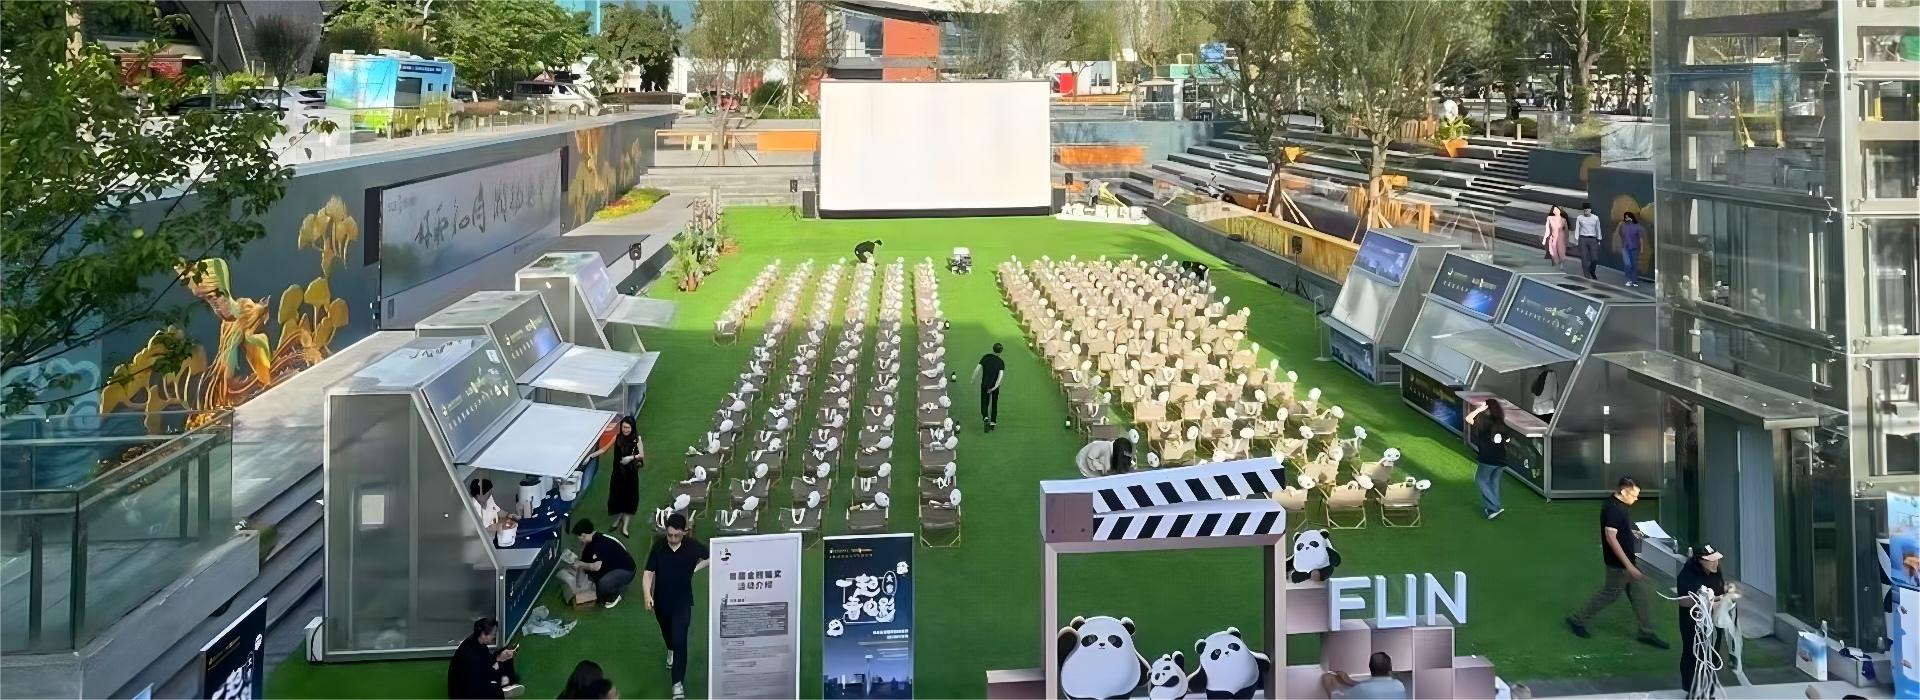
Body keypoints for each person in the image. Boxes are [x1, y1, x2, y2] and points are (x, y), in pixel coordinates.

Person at [1567, 477, 1669, 649]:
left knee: (1639, 594)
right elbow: (1610, 537)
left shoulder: (1615, 504)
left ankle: (1646, 631)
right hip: (1619, 565)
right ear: (1623, 491)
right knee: (1610, 593)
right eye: (1634, 495)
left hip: (1626, 562)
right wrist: (1629, 567)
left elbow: (1616, 529)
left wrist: (1630, 532)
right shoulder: (1615, 509)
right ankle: (1577, 619)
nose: (1636, 499)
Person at [645, 513, 710, 700]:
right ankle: (670, 649)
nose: (673, 539)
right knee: (668, 634)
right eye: (669, 535)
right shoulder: (659, 547)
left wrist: (695, 569)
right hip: (661, 600)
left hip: (682, 602)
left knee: (680, 640)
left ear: (685, 532)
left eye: (677, 535)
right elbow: (648, 573)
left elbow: (711, 556)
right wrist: (647, 595)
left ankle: (677, 683)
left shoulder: (692, 546)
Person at [1676, 544, 1729, 696]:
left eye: (1716, 559)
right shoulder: (1687, 575)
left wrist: (1725, 596)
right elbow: (1683, 601)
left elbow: (1720, 590)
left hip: (1714, 620)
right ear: (1700, 561)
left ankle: (1708, 689)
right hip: (1692, 621)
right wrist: (1706, 599)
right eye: (1711, 560)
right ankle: (1692, 689)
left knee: (1712, 652)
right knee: (1692, 653)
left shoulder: (1715, 572)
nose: (1715, 563)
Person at [559, 519, 636, 608]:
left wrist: (580, 564)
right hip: (612, 565)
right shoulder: (590, 543)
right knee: (593, 576)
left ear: (583, 535)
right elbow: (586, 560)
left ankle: (618, 593)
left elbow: (596, 567)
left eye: (579, 538)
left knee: (603, 585)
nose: (580, 541)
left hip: (626, 570)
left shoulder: (601, 544)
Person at [447, 617, 523, 699]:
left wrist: (499, 657)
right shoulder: (470, 656)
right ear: (483, 634)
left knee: (504, 652)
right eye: (493, 634)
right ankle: (501, 690)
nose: (494, 636)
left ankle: (506, 680)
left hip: (476, 674)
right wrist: (499, 661)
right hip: (463, 692)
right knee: (490, 688)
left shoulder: (477, 641)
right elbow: (483, 676)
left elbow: (486, 661)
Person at [1464, 399, 1507, 520]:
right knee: (1493, 483)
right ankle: (1492, 509)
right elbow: (1507, 439)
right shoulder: (1501, 423)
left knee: (1481, 481)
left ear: (1487, 408)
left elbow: (1468, 418)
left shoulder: (1485, 422)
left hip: (1488, 459)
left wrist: (1479, 409)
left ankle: (1494, 506)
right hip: (1501, 459)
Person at [607, 417, 644, 537]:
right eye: (623, 427)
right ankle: (619, 518)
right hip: (618, 474)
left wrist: (630, 458)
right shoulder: (617, 437)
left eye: (628, 427)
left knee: (629, 499)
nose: (625, 430)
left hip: (630, 474)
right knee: (618, 497)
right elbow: (604, 449)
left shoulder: (637, 439)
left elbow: (641, 455)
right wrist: (591, 456)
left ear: (632, 428)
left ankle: (625, 526)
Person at [1321, 651, 1406, 699]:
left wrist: (1329, 683)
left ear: (1370, 667)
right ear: (1390, 668)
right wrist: (1350, 681)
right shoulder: (1399, 686)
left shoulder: (1363, 689)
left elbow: (1337, 698)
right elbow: (1378, 687)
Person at [971, 343, 1006, 432]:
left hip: (985, 385)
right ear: (1001, 351)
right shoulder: (1000, 362)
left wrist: (973, 378)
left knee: (984, 401)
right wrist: (994, 387)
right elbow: (1000, 377)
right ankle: (993, 422)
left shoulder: (986, 357)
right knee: (994, 403)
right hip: (994, 387)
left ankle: (985, 416)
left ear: (993, 349)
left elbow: (977, 369)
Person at [1574, 203, 1604, 279]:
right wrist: (1576, 240)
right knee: (1584, 259)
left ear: (1590, 209)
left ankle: (1591, 270)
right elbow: (1577, 229)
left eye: (1587, 209)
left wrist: (1599, 239)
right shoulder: (1579, 218)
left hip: (1593, 239)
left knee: (1595, 259)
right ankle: (1587, 277)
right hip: (1582, 239)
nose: (1585, 210)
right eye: (1584, 209)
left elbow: (1598, 229)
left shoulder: (1595, 218)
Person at [1616, 211, 1645, 286]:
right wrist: (1620, 225)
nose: (1627, 218)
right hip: (1625, 248)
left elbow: (1641, 238)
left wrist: (1642, 248)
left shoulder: (1637, 226)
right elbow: (1620, 234)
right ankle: (1629, 279)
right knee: (1628, 264)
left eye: (1628, 217)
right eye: (1625, 217)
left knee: (1634, 265)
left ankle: (1633, 280)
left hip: (1634, 248)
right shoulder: (1623, 226)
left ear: (1632, 217)